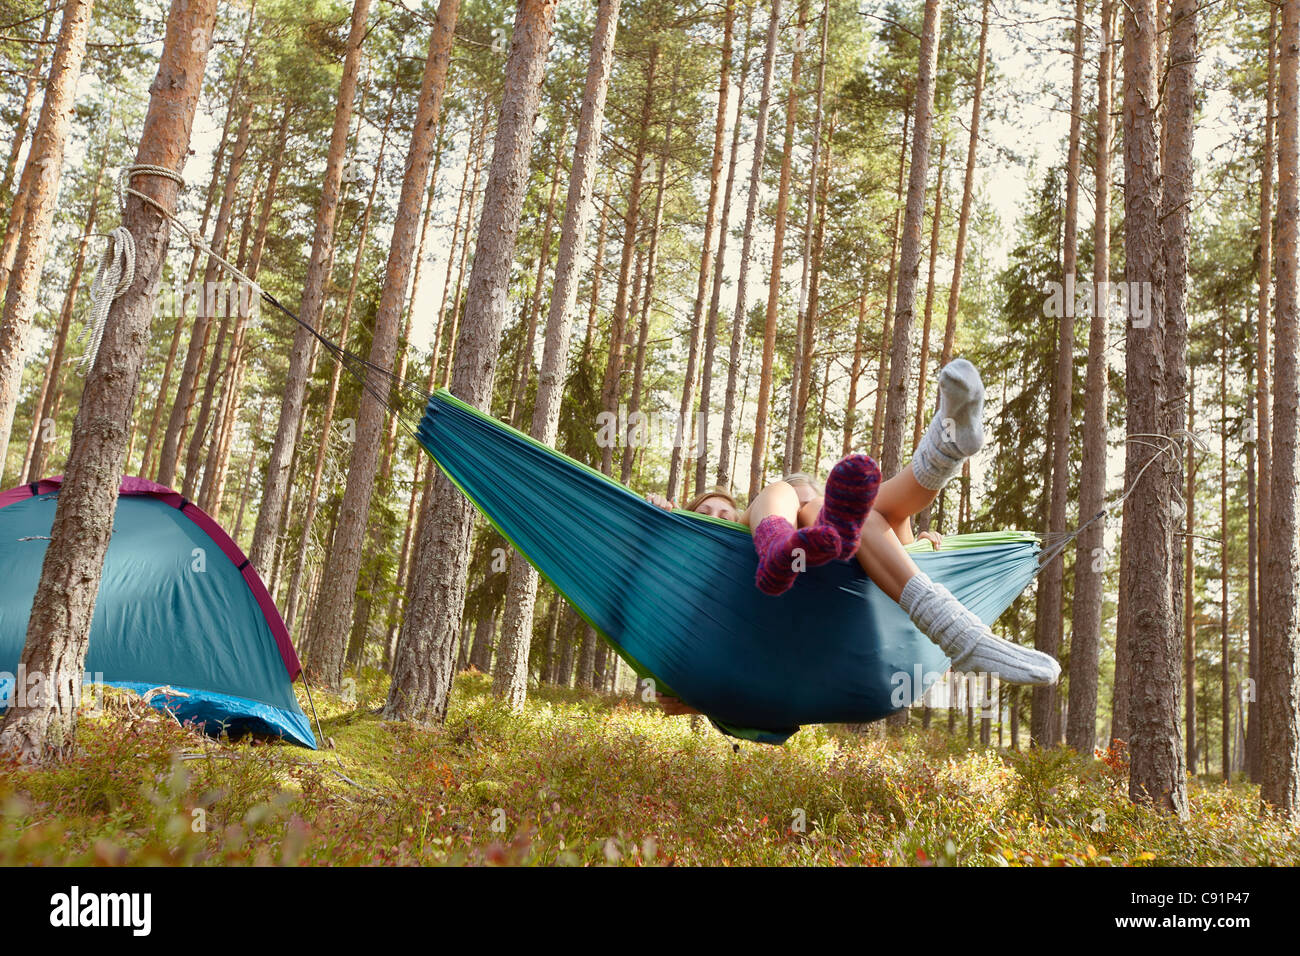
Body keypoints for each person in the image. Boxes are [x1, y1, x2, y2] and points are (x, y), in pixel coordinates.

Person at [646, 360, 1059, 718]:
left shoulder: (849, 522)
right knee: (798, 497)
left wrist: (925, 546)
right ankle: (942, 453)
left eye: (721, 510)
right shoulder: (730, 551)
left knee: (866, 514)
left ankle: (946, 449)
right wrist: (655, 517)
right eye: (708, 515)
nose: (717, 517)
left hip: (872, 636)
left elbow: (895, 538)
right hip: (800, 630)